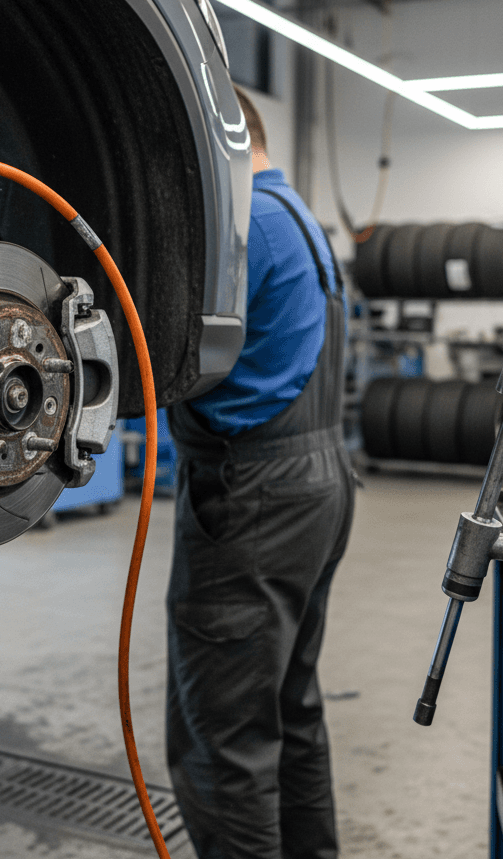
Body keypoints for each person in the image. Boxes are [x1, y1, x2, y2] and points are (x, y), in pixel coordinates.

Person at [166, 85, 356, 859]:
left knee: (225, 745)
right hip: (319, 481)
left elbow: (167, 369)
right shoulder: (299, 218)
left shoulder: (246, 229)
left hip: (255, 498)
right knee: (290, 711)